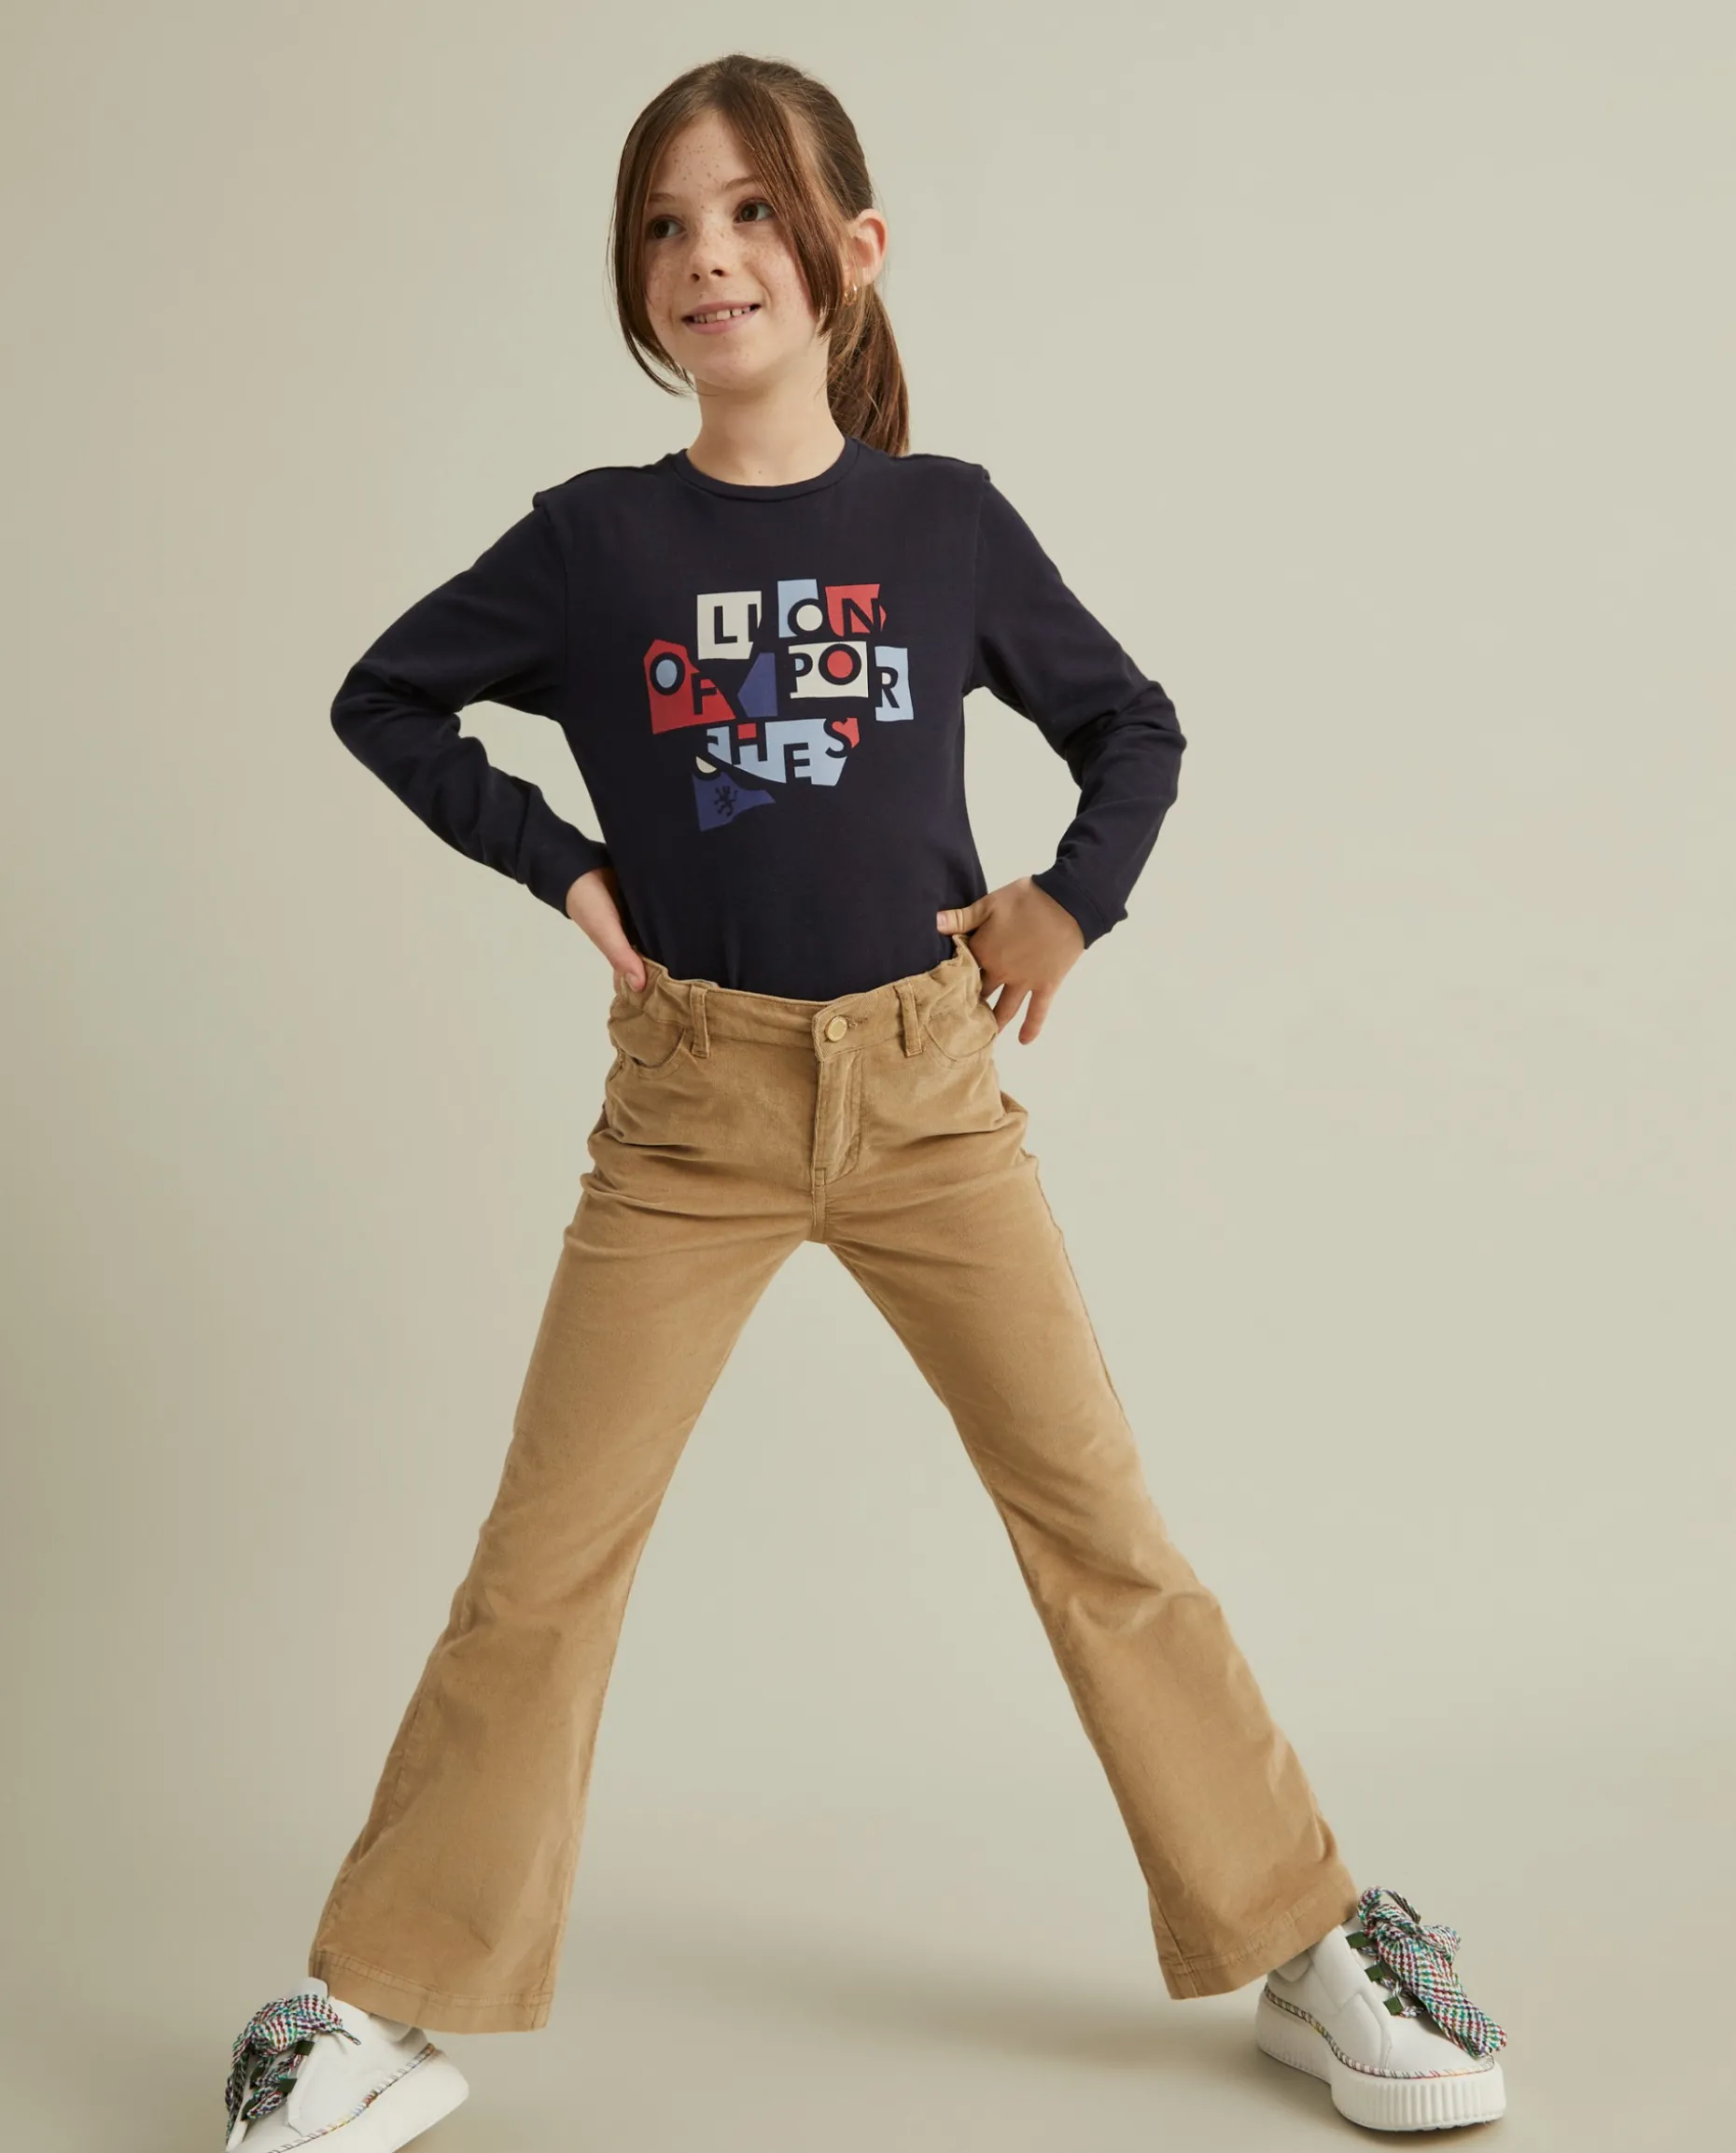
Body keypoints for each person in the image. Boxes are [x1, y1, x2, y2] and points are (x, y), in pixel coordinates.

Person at [219, 52, 1507, 2150]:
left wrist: (1066, 909)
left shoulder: (941, 524)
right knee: (543, 1561)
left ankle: (1302, 1931)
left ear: (854, 251)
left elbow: (1134, 724)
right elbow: (387, 697)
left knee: (1099, 1522)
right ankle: (378, 1996)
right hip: (692, 1117)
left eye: (754, 212)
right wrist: (563, 864)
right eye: (665, 223)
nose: (708, 254)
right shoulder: (596, 541)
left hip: (926, 1099)